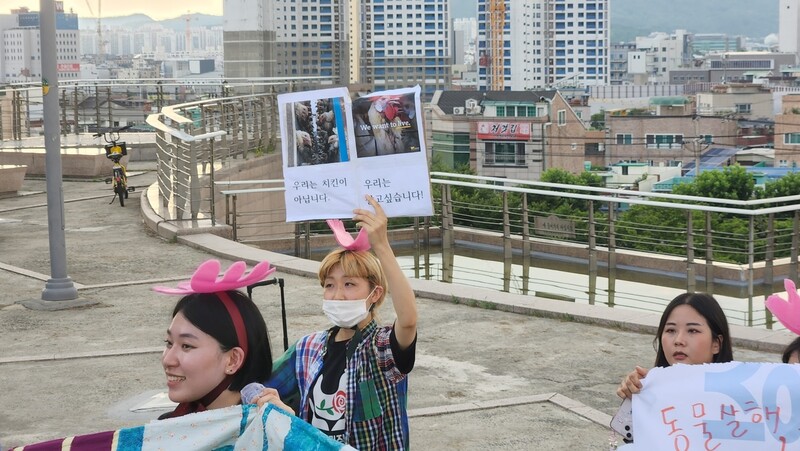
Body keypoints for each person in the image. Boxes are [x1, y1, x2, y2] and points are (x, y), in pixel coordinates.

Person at [253, 195, 418, 449]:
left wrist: (382, 245)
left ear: (375, 294)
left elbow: (407, 322)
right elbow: (258, 385)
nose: (337, 294)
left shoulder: (382, 348)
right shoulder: (307, 348)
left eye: (349, 284)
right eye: (330, 285)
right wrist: (276, 406)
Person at [154, 260, 275, 419]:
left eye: (186, 346)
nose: (168, 360)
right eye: (169, 343)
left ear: (233, 360)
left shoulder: (266, 434)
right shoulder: (166, 428)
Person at [616, 292, 734, 399]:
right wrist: (636, 396)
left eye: (692, 331)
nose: (678, 340)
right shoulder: (646, 388)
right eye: (671, 330)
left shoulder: (741, 401)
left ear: (716, 344)